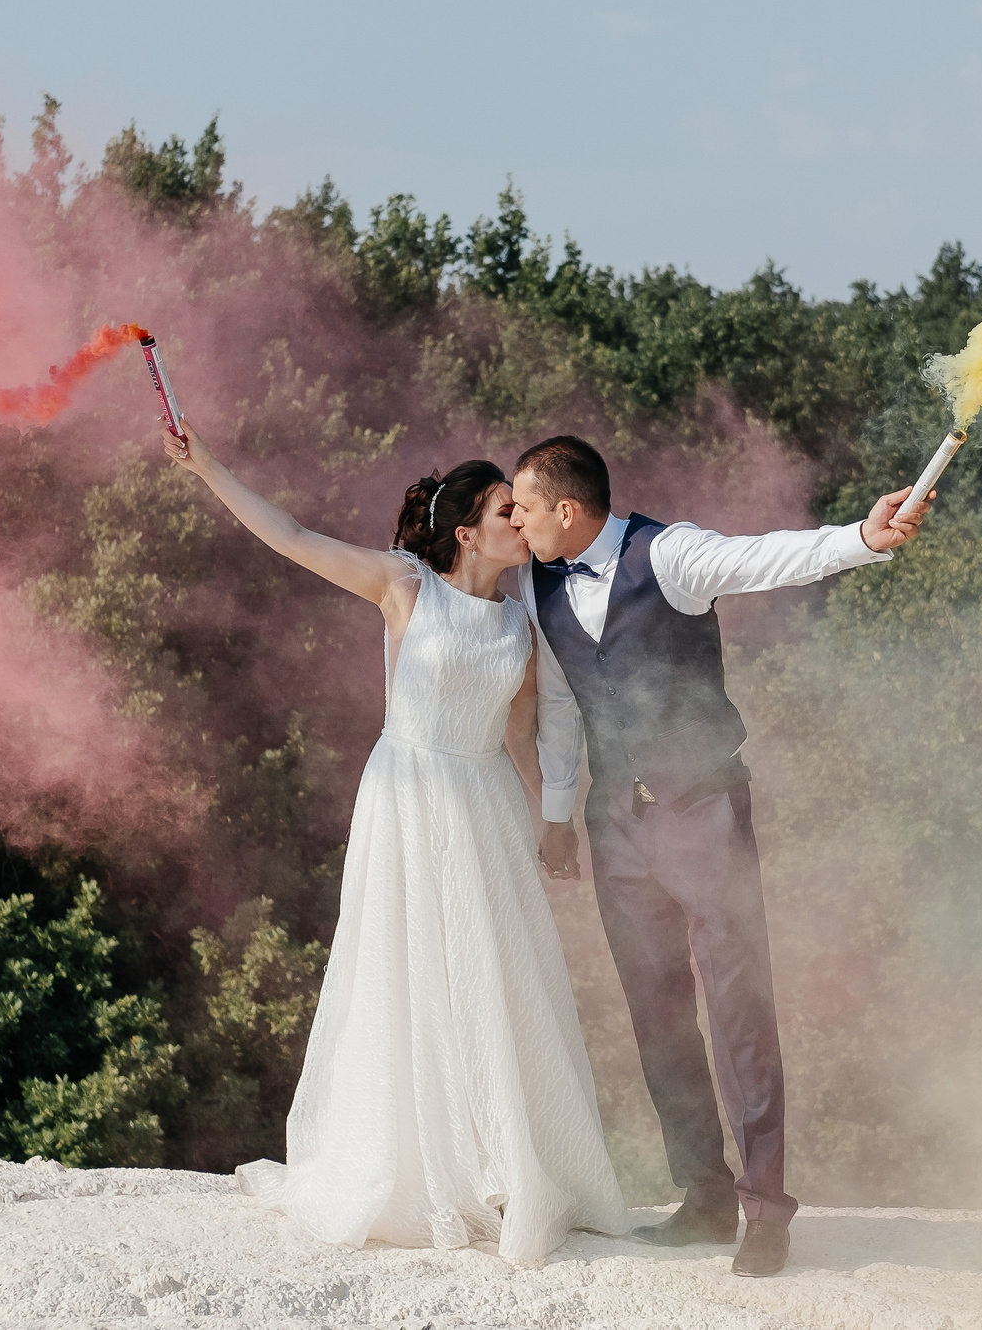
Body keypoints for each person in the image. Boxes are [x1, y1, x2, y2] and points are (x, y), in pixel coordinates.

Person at [163, 423, 627, 1264]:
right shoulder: (406, 585)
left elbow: (523, 734)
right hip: (409, 793)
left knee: (490, 974)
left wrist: (555, 822)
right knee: (403, 970)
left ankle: (499, 1164)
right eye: (503, 511)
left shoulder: (522, 621)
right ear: (465, 531)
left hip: (484, 801)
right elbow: (296, 538)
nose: (521, 523)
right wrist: (209, 468)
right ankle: (407, 1165)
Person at [507, 435, 926, 1280]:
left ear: (567, 508)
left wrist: (862, 539)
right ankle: (700, 1197)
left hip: (704, 810)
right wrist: (557, 817)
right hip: (616, 823)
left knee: (739, 1006)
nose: (514, 519)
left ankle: (766, 1211)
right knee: (656, 1013)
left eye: (521, 505)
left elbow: (763, 558)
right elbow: (558, 705)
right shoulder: (541, 586)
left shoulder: (671, 553)